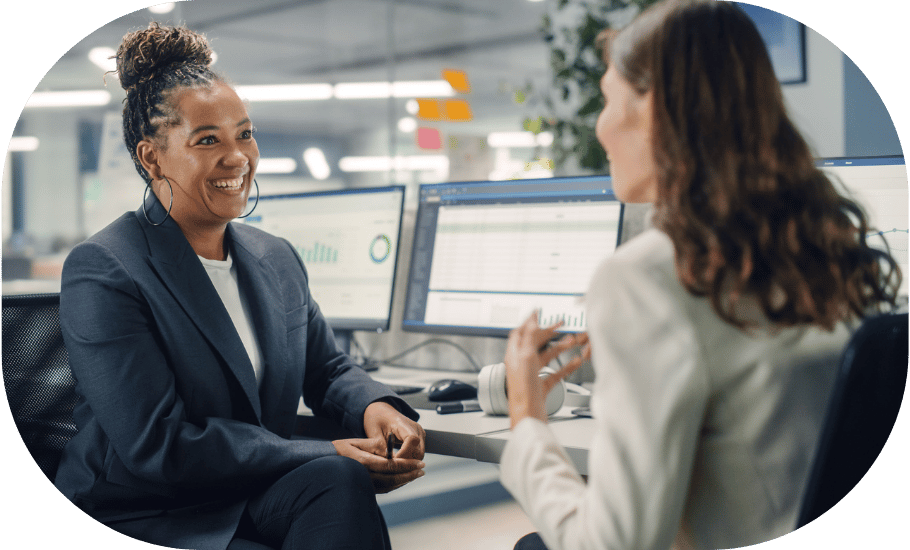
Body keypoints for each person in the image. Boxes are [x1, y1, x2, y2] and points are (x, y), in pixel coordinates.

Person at [497, 1, 902, 549]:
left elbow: (615, 544)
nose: (600, 126)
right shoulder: (825, 247)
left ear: (656, 110)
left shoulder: (644, 277)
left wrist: (525, 418)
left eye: (608, 99)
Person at [55, 22, 426, 550]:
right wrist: (325, 451)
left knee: (338, 484)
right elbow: (157, 445)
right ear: (151, 157)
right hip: (147, 510)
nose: (237, 158)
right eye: (208, 140)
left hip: (244, 491)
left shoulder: (273, 256)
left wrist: (375, 407)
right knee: (335, 473)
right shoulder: (105, 269)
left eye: (244, 134)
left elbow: (327, 368)